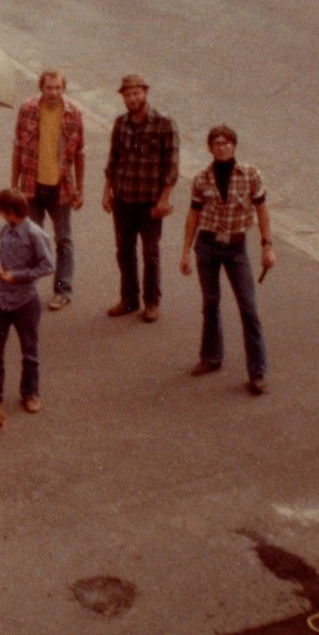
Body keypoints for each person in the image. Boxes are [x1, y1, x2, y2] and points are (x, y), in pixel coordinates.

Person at [180, 125, 276, 396]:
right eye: (216, 143)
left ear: (234, 145)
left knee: (248, 308)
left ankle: (257, 373)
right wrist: (185, 251)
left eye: (226, 143)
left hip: (235, 249)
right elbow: (194, 214)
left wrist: (267, 246)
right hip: (209, 246)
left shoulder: (250, 175)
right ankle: (211, 357)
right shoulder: (202, 179)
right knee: (210, 303)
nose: (221, 147)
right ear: (209, 148)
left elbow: (262, 209)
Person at [102, 74, 179, 323]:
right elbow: (113, 160)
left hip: (150, 203)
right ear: (122, 96)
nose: (132, 98)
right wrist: (107, 192)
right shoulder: (121, 123)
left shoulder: (163, 123)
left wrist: (164, 200)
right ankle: (129, 299)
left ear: (145, 93)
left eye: (136, 93)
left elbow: (172, 166)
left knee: (151, 253)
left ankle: (152, 302)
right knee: (124, 251)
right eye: (127, 94)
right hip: (123, 200)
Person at [11, 68, 85, 311]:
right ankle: (26, 290)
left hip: (60, 188)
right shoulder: (27, 109)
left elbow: (79, 154)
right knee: (29, 239)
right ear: (40, 87)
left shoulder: (73, 113)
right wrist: (14, 185)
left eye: (58, 88)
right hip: (31, 186)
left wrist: (80, 190)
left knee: (63, 240)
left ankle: (63, 290)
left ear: (64, 88)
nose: (53, 92)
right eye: (49, 87)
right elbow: (19, 147)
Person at [0, 189, 55, 413]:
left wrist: (18, 275)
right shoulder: (4, 230)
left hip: (25, 301)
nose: (1, 216)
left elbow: (48, 266)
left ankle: (30, 393)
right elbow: (0, 254)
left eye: (2, 212)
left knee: (29, 351)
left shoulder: (35, 234)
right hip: (1, 299)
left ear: (12, 212)